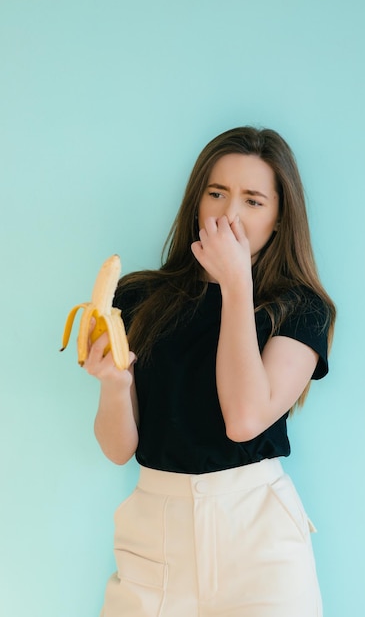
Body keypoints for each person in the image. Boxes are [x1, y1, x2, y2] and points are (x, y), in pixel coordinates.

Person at [85, 126, 336, 617]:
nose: (229, 214)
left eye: (253, 200)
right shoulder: (140, 297)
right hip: (154, 531)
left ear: (281, 220)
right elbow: (119, 449)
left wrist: (237, 286)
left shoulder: (299, 308)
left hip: (258, 537)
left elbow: (244, 420)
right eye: (216, 193)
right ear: (196, 201)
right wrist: (113, 384)